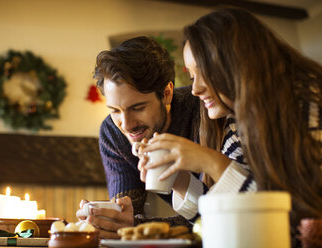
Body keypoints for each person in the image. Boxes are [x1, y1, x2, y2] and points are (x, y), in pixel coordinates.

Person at [138, 7, 322, 242]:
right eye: (192, 77)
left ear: (240, 61)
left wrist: (212, 162)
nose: (195, 89)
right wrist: (179, 178)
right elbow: (228, 214)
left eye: (205, 71)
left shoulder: (308, 105)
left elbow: (296, 230)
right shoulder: (236, 124)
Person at [76, 36, 203, 239]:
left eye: (138, 108)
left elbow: (216, 215)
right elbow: (127, 216)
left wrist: (138, 225)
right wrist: (110, 220)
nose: (126, 125)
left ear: (167, 93)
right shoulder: (113, 132)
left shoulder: (203, 110)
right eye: (115, 110)